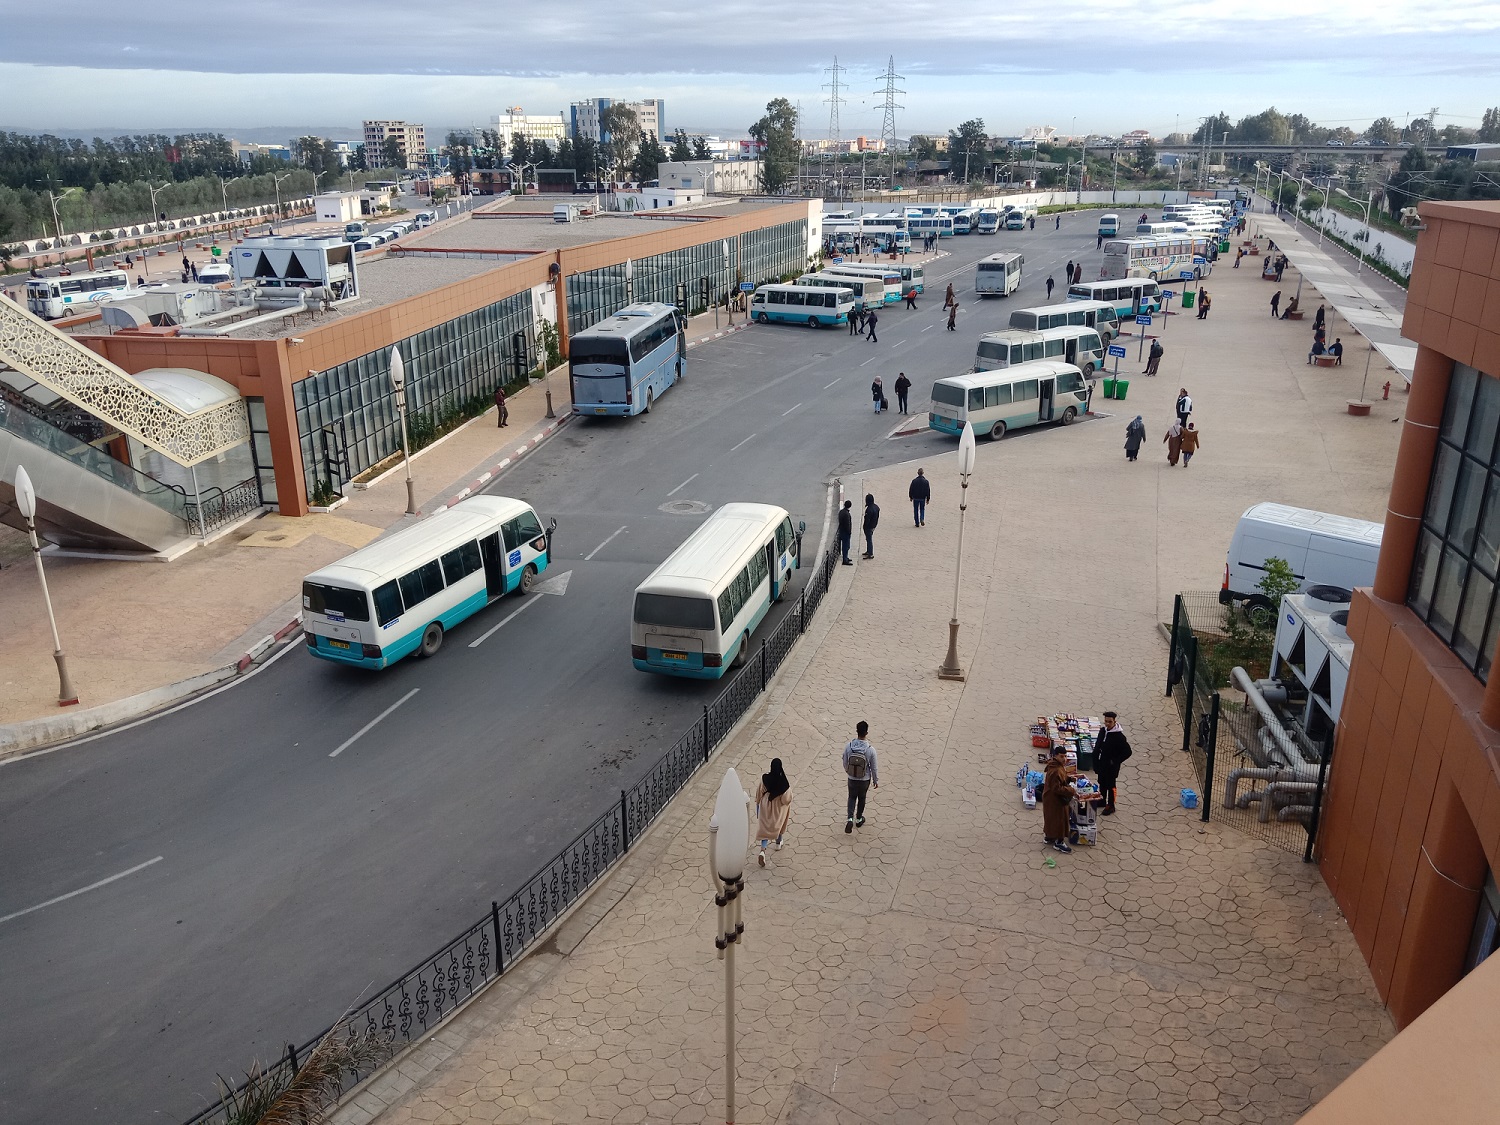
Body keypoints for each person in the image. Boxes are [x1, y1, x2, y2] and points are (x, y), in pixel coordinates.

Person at [753, 758, 792, 866]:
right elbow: (786, 800)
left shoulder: (765, 778)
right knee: (779, 823)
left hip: (766, 807)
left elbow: (759, 793)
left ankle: (762, 851)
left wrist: (758, 808)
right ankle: (778, 842)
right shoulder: (784, 783)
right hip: (777, 809)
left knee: (765, 829)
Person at [842, 720, 879, 832]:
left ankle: (849, 818)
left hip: (852, 777)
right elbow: (874, 767)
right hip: (864, 779)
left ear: (856, 731)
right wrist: (875, 780)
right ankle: (858, 819)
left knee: (851, 797)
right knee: (862, 798)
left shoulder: (849, 746)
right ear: (866, 733)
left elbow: (844, 760)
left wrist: (848, 771)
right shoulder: (870, 750)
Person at [1093, 711, 1132, 816]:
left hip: (1111, 766)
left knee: (1111, 785)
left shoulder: (1119, 737)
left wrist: (1114, 761)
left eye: (1110, 722)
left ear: (1115, 721)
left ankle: (1111, 805)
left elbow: (1128, 752)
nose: (1107, 724)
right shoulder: (1102, 731)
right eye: (1106, 721)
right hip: (1102, 763)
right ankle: (1102, 800)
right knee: (1102, 782)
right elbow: (1098, 745)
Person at [1041, 745, 1076, 853]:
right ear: (1056, 756)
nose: (1064, 759)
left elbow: (1060, 779)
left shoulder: (1056, 766)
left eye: (1065, 756)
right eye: (1061, 756)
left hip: (1049, 798)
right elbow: (1057, 788)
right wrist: (1071, 790)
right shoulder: (1056, 769)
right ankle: (1059, 842)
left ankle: (1049, 836)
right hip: (1055, 800)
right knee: (1060, 820)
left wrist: (1069, 779)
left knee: (1051, 819)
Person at [861, 493, 880, 559]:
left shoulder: (869, 509)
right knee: (868, 539)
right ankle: (869, 551)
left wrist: (864, 526)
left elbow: (867, 520)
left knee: (869, 539)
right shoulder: (876, 507)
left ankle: (870, 553)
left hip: (868, 526)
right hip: (874, 525)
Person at [838, 499, 853, 565]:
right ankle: (845, 559)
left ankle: (846, 558)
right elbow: (847, 524)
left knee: (845, 546)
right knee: (846, 546)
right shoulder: (846, 514)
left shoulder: (841, 512)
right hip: (845, 532)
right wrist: (849, 532)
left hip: (841, 530)